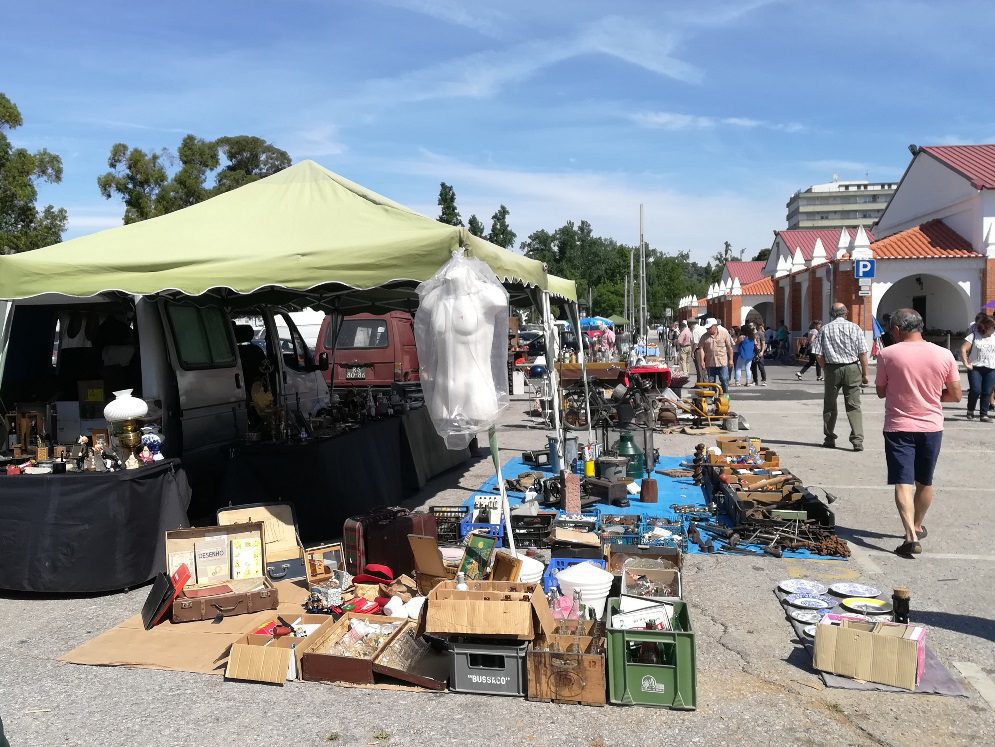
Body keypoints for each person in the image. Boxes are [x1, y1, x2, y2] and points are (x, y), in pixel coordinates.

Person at [875, 308, 961, 557]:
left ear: (898, 329)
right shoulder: (943, 354)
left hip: (898, 426)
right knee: (925, 481)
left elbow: (881, 391)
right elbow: (955, 394)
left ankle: (910, 536)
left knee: (902, 481)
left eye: (892, 329)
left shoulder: (887, 354)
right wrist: (932, 395)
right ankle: (916, 525)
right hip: (931, 426)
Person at [811, 303, 869, 450]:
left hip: (832, 368)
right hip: (851, 367)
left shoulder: (825, 329)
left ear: (832, 314)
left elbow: (818, 354)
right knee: (853, 405)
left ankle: (829, 438)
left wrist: (826, 368)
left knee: (830, 404)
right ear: (846, 313)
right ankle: (857, 440)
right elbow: (862, 352)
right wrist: (865, 374)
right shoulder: (855, 328)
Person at [960, 314, 995, 421]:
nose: (994, 329)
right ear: (986, 327)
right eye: (992, 327)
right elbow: (963, 349)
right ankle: (970, 410)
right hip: (975, 368)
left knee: (987, 391)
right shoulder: (974, 336)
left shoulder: (994, 336)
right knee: (975, 390)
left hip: (991, 368)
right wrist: (966, 363)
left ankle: (983, 414)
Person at [696, 317, 735, 393]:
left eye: (709, 328)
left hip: (722, 362)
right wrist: (702, 361)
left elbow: (729, 348)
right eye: (707, 328)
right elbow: (701, 349)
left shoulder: (724, 334)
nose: (708, 330)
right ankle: (712, 397)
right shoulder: (704, 336)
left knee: (724, 379)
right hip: (710, 362)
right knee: (711, 382)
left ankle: (725, 395)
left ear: (715, 326)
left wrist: (731, 360)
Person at [691, 317, 708, 381]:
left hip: (698, 350)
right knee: (704, 367)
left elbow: (695, 343)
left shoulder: (695, 330)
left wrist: (692, 352)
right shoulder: (703, 328)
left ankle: (700, 383)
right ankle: (705, 382)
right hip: (705, 348)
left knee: (699, 367)